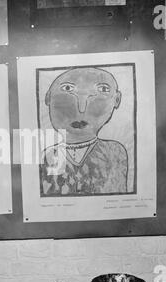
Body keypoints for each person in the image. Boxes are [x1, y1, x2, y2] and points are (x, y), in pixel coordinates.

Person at [41, 67, 128, 196]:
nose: (82, 107)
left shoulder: (114, 152)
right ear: (48, 98)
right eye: (67, 89)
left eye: (102, 90)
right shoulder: (48, 157)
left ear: (117, 100)